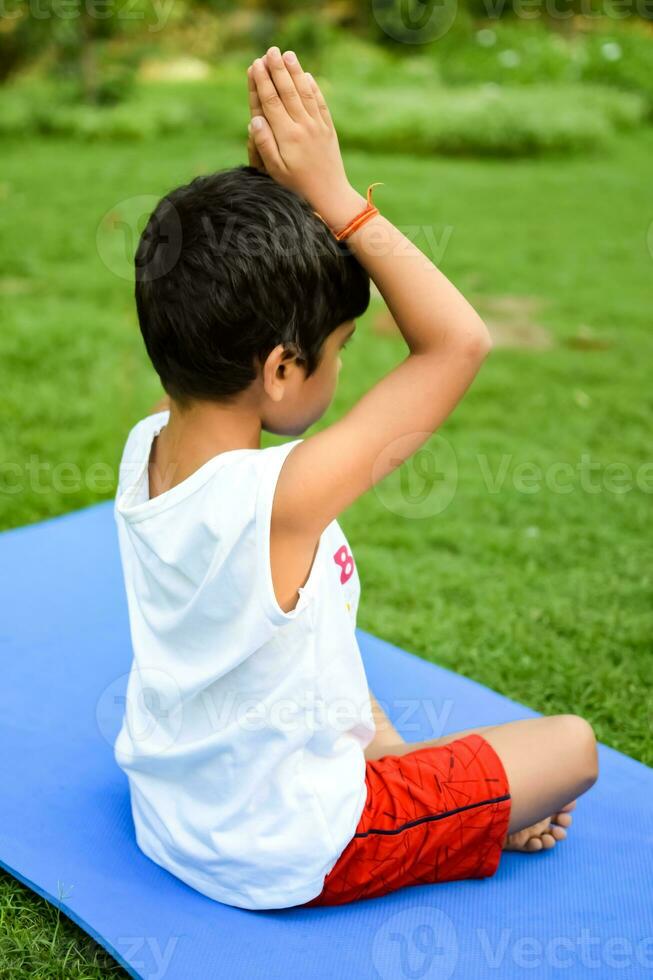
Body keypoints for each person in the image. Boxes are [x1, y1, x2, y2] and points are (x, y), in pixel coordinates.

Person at [113, 46, 598, 911]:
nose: (340, 371)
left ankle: (430, 779)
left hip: (176, 812)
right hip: (300, 846)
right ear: (278, 368)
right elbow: (457, 343)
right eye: (337, 351)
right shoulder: (282, 499)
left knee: (395, 712)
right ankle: (459, 816)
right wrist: (337, 199)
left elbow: (210, 298)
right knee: (570, 750)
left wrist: (269, 210)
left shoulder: (150, 443)